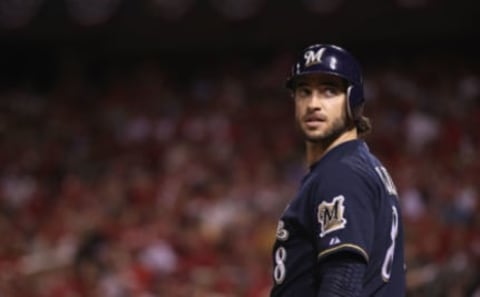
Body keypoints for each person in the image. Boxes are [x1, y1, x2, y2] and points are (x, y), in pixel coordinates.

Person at [270, 44, 406, 296]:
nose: (313, 104)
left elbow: (343, 282)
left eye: (329, 91)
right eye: (304, 91)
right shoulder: (357, 165)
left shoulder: (341, 173)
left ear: (353, 99)